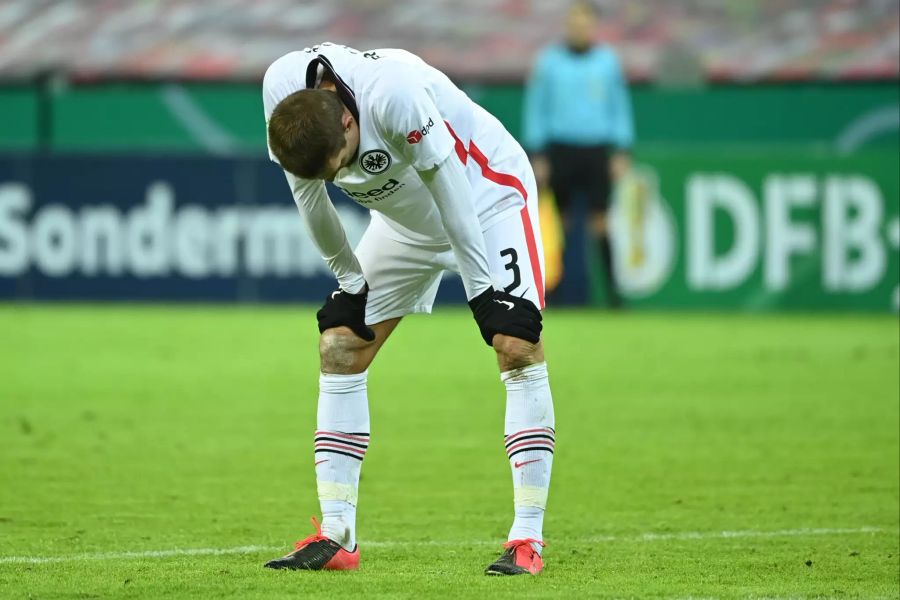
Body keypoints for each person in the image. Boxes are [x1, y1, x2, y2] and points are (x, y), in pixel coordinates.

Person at [260, 42, 555, 576]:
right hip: (404, 226)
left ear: (349, 121)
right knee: (341, 345)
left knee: (515, 344)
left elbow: (451, 185)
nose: (337, 176)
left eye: (341, 165)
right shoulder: (284, 97)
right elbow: (310, 199)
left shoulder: (392, 94)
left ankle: (527, 537)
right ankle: (337, 535)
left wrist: (484, 290)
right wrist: (349, 282)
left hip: (486, 199)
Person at [523, 1, 635, 307]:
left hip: (596, 149)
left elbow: (618, 106)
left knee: (600, 222)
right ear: (567, 26)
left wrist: (622, 148)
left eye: (585, 23)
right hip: (561, 149)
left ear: (593, 27)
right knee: (561, 224)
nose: (579, 29)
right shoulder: (549, 63)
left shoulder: (607, 63)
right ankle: (557, 293)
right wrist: (538, 153)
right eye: (575, 23)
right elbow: (537, 108)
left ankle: (613, 294)